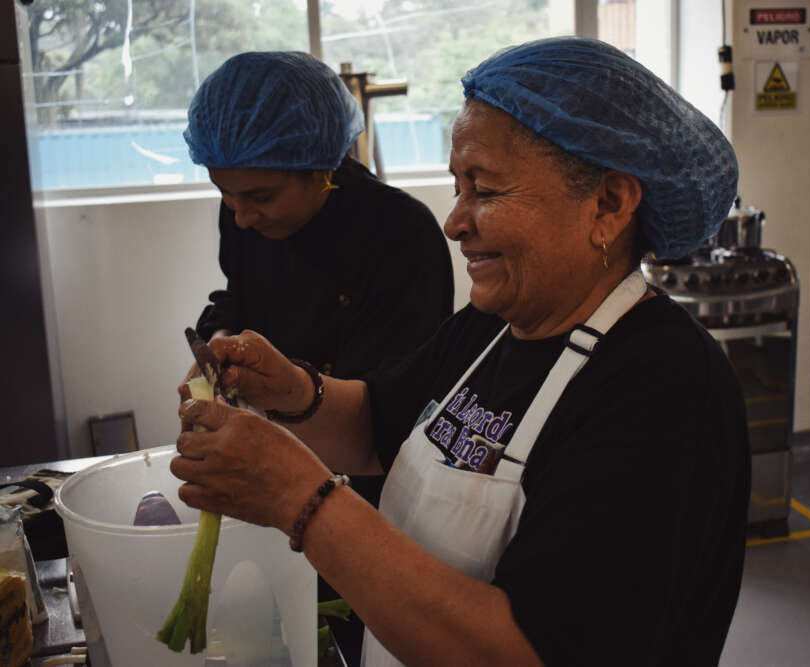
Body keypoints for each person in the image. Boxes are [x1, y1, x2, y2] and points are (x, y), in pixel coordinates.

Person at [173, 37, 749, 666]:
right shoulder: (491, 326)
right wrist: (291, 390)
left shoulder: (665, 387)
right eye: (457, 187)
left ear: (607, 205)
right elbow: (375, 424)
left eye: (486, 190)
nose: (453, 222)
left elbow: (530, 651)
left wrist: (301, 500)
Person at [181, 51, 455, 663]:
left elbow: (401, 408)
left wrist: (293, 398)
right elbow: (236, 295)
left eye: (260, 196)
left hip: (367, 504)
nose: (240, 216)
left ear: (322, 169)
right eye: (225, 194)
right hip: (272, 474)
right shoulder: (245, 218)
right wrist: (220, 339)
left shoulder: (402, 235)